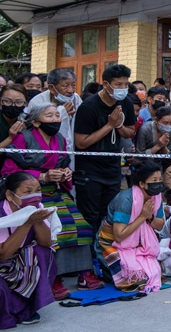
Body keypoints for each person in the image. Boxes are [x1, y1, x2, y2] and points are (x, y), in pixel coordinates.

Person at [2, 104, 100, 300]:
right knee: (57, 229)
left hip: (56, 191)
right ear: (36, 121)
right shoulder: (24, 138)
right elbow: (9, 171)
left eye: (57, 115)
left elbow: (64, 164)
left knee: (80, 225)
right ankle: (53, 277)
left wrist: (65, 174)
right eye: (49, 116)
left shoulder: (60, 139)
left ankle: (84, 273)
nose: (55, 119)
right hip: (30, 193)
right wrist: (42, 176)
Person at [73, 64, 136, 233]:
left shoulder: (126, 103)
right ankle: (87, 256)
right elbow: (81, 143)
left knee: (108, 213)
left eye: (125, 84)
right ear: (106, 84)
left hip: (113, 167)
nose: (123, 89)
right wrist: (109, 125)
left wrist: (119, 125)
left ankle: (103, 252)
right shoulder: (89, 107)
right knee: (90, 215)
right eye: (118, 85)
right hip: (89, 169)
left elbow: (130, 131)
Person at [96, 162, 164, 292]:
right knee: (134, 280)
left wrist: (150, 217)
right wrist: (142, 217)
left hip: (138, 244)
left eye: (160, 179)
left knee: (153, 275)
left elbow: (160, 226)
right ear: (142, 184)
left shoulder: (156, 197)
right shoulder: (126, 199)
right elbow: (119, 235)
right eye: (154, 180)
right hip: (111, 242)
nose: (158, 184)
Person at [0, 172, 56, 328]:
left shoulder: (37, 208)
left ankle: (29, 303)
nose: (35, 196)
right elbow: (3, 254)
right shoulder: (1, 213)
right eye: (27, 192)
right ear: (10, 195)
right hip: (2, 261)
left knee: (44, 252)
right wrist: (26, 224)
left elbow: (46, 242)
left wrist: (37, 221)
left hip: (17, 261)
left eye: (38, 190)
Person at [27, 69, 82, 157]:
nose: (71, 91)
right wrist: (62, 113)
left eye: (73, 85)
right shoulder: (37, 102)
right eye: (65, 86)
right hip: (42, 151)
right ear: (51, 88)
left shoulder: (76, 99)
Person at [0, 84, 27, 149]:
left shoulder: (28, 120)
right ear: (0, 101)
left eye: (19, 102)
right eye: (7, 101)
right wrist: (11, 138)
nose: (13, 105)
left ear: (25, 103)